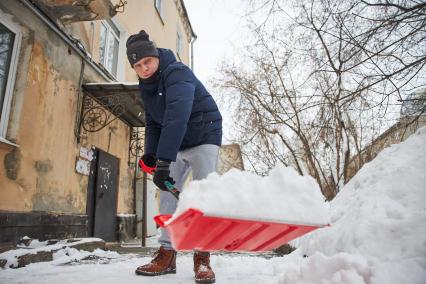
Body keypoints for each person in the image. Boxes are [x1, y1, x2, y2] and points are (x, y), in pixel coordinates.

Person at [126, 30, 222, 284]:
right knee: (168, 194)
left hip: (203, 134)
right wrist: (151, 155)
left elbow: (176, 117)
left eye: (147, 61)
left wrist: (164, 161)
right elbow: (154, 122)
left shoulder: (177, 72)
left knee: (203, 195)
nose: (144, 68)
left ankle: (202, 257)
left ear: (155, 56)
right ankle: (167, 254)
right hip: (176, 139)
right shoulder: (146, 85)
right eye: (137, 65)